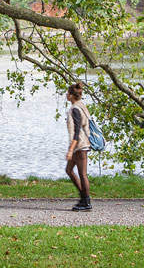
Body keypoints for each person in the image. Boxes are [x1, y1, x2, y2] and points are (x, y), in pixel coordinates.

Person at [65, 81, 92, 211]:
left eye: (67, 93)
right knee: (69, 170)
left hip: (80, 145)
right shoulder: (81, 106)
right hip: (79, 145)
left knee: (82, 174)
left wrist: (70, 150)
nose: (66, 95)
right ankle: (83, 197)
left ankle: (86, 202)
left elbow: (76, 132)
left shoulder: (75, 109)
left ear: (71, 95)